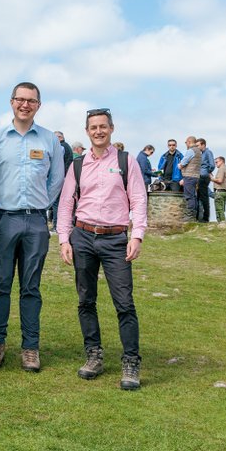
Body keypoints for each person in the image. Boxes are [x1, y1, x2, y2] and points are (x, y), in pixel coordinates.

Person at [57, 108, 148, 390]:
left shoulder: (125, 161)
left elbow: (139, 199)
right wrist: (63, 238)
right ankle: (93, 355)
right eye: (93, 127)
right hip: (82, 236)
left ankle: (131, 362)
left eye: (103, 127)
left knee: (124, 303)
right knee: (86, 300)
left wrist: (138, 236)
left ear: (111, 129)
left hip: (115, 239)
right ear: (87, 131)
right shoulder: (77, 164)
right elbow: (65, 203)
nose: (98, 131)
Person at [0, 82, 64, 373]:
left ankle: (30, 348)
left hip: (35, 221)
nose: (25, 105)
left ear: (38, 105)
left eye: (31, 101)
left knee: (31, 287)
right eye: (20, 99)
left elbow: (57, 180)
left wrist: (41, 204)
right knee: (0, 284)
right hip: (3, 218)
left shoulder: (49, 141)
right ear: (11, 102)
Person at [48, 131, 74, 232]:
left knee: (56, 203)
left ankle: (56, 226)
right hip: (66, 178)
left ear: (58, 137)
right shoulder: (67, 146)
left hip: (60, 178)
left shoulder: (61, 147)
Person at [179, 136, 201, 218]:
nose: (186, 144)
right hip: (196, 176)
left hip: (189, 176)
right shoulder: (198, 151)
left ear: (188, 142)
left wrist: (179, 165)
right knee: (193, 196)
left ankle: (190, 215)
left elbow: (183, 162)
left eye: (186, 142)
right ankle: (194, 214)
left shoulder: (191, 151)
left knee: (189, 196)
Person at [196, 138, 214, 222]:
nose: (197, 147)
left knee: (204, 197)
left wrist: (207, 171)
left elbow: (212, 165)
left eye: (198, 145)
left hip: (204, 177)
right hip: (200, 177)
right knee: (199, 197)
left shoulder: (208, 152)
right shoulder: (201, 154)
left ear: (203, 145)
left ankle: (206, 218)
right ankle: (199, 217)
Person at [211, 155, 226, 222]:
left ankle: (222, 224)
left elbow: (219, 180)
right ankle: (223, 223)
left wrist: (211, 179)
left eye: (216, 162)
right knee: (222, 209)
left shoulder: (222, 169)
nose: (215, 164)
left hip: (220, 192)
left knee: (219, 210)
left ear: (222, 161)